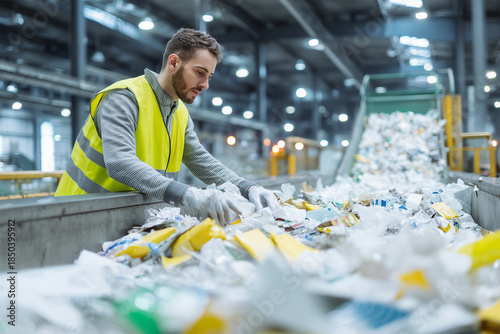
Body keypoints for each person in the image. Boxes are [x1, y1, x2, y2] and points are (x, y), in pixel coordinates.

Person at [55, 28, 279, 225]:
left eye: (209, 76)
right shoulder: (123, 98)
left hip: (125, 218)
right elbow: (120, 163)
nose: (206, 84)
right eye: (200, 72)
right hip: (76, 215)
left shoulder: (179, 111)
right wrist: (190, 194)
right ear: (174, 62)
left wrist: (248, 188)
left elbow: (200, 160)